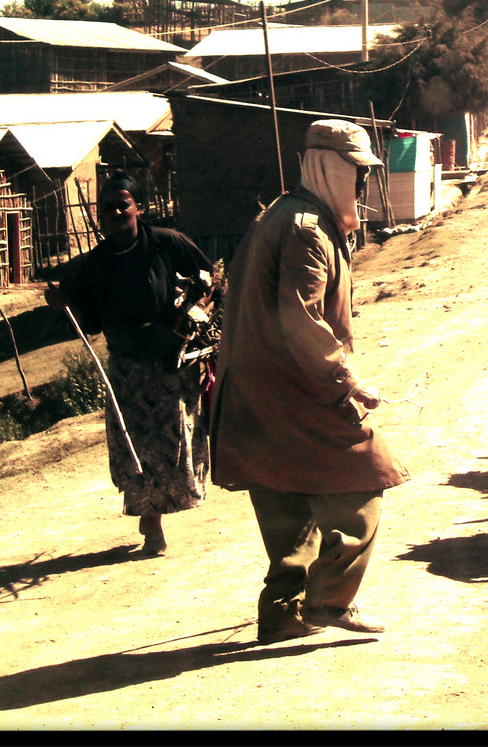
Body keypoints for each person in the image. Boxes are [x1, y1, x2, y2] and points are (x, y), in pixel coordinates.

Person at [211, 119, 410, 642]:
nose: (363, 185)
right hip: (296, 387)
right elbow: (301, 318)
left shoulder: (280, 214)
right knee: (366, 479)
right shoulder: (306, 229)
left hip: (255, 391)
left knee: (285, 497)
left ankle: (280, 614)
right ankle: (327, 601)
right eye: (356, 173)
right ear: (326, 167)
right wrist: (347, 380)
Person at [47, 174, 215, 557]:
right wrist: (64, 303)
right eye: (109, 208)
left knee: (172, 444)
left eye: (124, 204)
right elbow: (89, 319)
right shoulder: (97, 265)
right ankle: (152, 525)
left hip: (171, 363)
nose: (118, 212)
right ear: (101, 217)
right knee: (138, 448)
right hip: (128, 371)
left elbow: (210, 279)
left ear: (139, 207)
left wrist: (194, 312)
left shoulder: (167, 243)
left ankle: (154, 511)